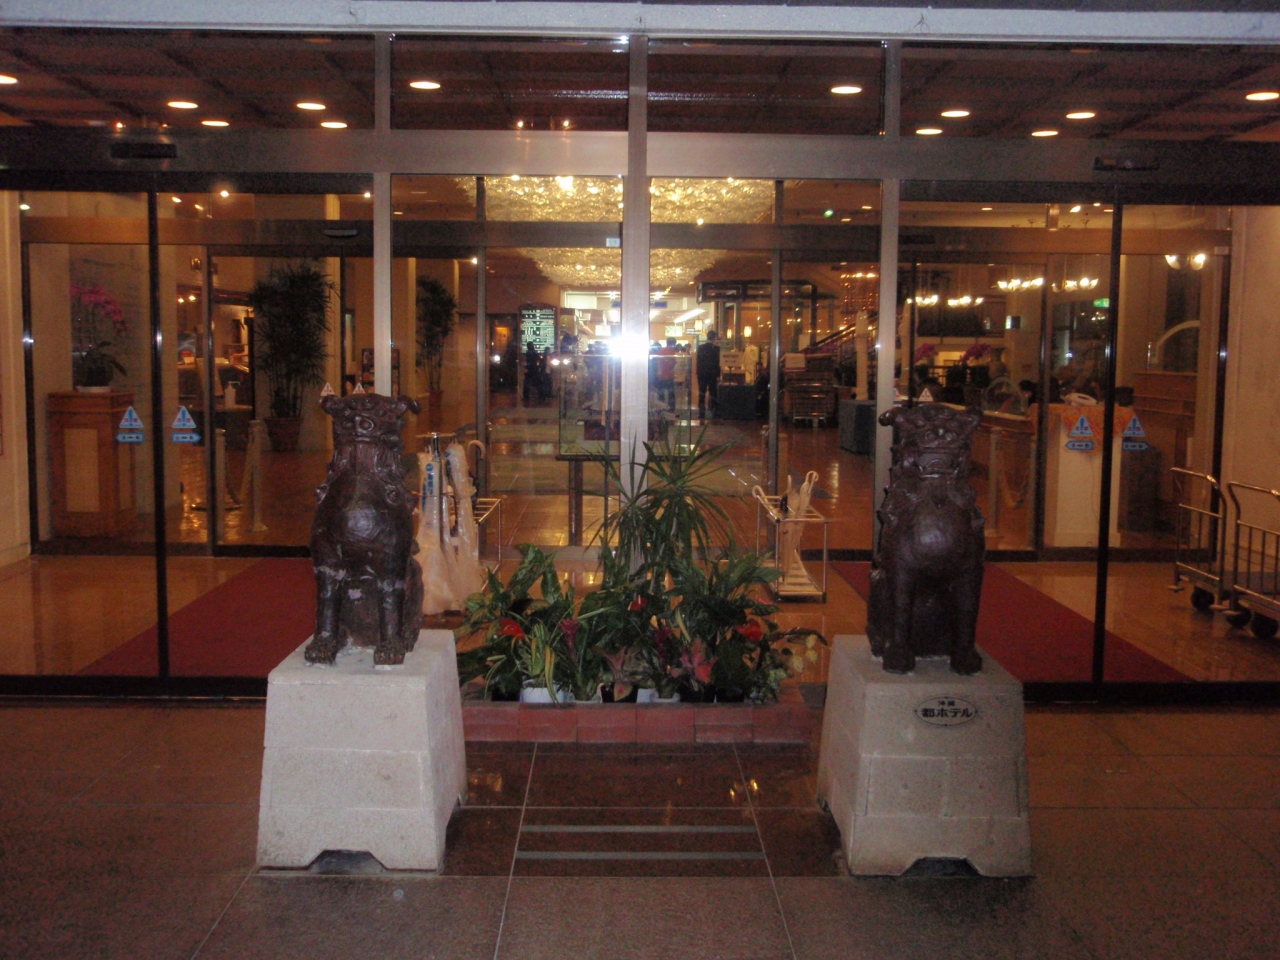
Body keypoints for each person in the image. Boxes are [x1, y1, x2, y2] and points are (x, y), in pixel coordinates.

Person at [696, 329, 721, 420]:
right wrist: (718, 374)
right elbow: (718, 363)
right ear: (714, 338)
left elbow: (698, 362)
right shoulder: (716, 349)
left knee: (702, 393)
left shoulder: (701, 348)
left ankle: (702, 414)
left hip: (702, 374)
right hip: (712, 374)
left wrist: (698, 372)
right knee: (713, 393)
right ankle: (714, 413)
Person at [655, 337, 678, 410]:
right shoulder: (671, 352)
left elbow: (657, 363)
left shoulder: (661, 351)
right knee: (671, 395)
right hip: (669, 376)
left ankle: (661, 410)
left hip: (660, 375)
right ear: (673, 344)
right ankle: (671, 410)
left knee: (661, 395)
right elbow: (673, 364)